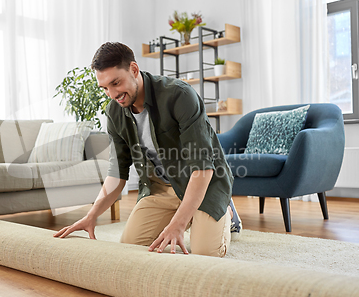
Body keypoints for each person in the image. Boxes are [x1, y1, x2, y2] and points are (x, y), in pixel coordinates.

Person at [54, 42, 241, 257]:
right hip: (161, 187)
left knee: (204, 254)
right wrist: (92, 215)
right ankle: (187, 214)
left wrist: (177, 224)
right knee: (129, 248)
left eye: (116, 83)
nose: (112, 94)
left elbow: (203, 168)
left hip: (203, 183)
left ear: (134, 70)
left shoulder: (179, 96)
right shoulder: (114, 113)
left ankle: (226, 211)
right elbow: (117, 173)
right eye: (105, 87)